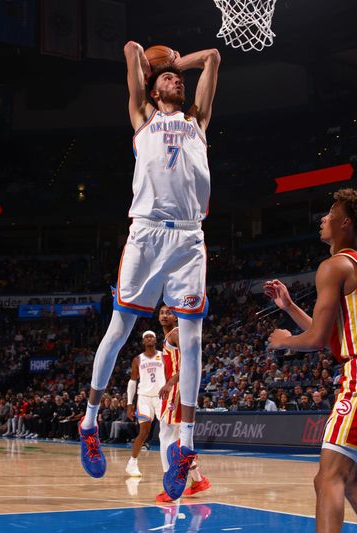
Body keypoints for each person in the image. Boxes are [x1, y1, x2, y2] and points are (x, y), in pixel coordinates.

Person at [79, 40, 220, 502]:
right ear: (152, 88)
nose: (176, 80)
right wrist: (152, 64)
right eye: (168, 78)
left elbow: (215, 57)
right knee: (119, 329)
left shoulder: (197, 122)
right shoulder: (143, 117)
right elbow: (131, 48)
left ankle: (186, 447)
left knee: (194, 337)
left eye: (179, 79)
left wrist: (181, 63)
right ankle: (89, 421)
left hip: (189, 237)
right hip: (146, 233)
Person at [266, 189, 357, 533]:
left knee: (327, 478)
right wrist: (288, 307)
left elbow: (315, 341)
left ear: (345, 223)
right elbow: (330, 333)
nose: (323, 219)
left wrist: (285, 340)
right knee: (348, 477)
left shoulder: (333, 265)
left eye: (330, 213)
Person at [156, 306, 211, 503]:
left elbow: (191, 359)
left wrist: (171, 382)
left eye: (169, 312)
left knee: (165, 434)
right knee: (180, 437)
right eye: (162, 312)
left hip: (177, 389)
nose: (165, 315)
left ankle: (170, 485)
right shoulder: (170, 335)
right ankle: (198, 480)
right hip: (178, 387)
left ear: (176, 316)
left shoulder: (177, 333)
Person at [125, 330, 165, 477]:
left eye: (151, 336)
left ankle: (172, 461)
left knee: (167, 430)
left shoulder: (163, 356)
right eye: (146, 337)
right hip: (144, 398)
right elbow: (132, 381)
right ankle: (132, 462)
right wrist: (130, 403)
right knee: (144, 432)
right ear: (143, 342)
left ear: (155, 340)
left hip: (161, 397)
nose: (149, 339)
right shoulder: (138, 359)